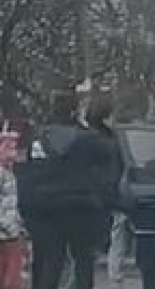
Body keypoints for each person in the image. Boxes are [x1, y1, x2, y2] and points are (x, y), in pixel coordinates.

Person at [15, 89, 117, 289]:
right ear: (74, 112)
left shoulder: (38, 138)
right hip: (78, 206)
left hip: (43, 207)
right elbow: (110, 157)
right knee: (83, 259)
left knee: (50, 260)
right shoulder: (87, 139)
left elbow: (26, 171)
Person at [85, 93, 130, 289]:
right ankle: (115, 276)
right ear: (105, 116)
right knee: (118, 230)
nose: (116, 119)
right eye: (113, 115)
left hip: (95, 195)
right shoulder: (108, 140)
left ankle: (114, 275)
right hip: (107, 195)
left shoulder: (91, 136)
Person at [0, 126, 24, 289]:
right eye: (9, 146)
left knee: (12, 274)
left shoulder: (11, 173)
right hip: (6, 231)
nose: (13, 152)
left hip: (12, 231)